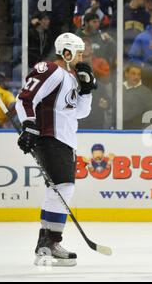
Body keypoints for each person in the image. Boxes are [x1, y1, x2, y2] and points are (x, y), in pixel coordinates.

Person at [15, 33, 97, 266]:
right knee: (63, 188)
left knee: (61, 189)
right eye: (79, 52)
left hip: (65, 140)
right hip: (50, 137)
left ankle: (47, 243)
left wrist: (86, 91)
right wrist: (29, 125)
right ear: (67, 52)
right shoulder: (49, 69)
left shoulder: (70, 77)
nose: (83, 57)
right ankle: (49, 242)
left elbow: (80, 113)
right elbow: (25, 99)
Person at [123, 64, 152, 129]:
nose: (136, 77)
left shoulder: (146, 92)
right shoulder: (119, 89)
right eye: (133, 74)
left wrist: (144, 130)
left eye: (138, 74)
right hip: (119, 131)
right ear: (126, 74)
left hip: (137, 132)